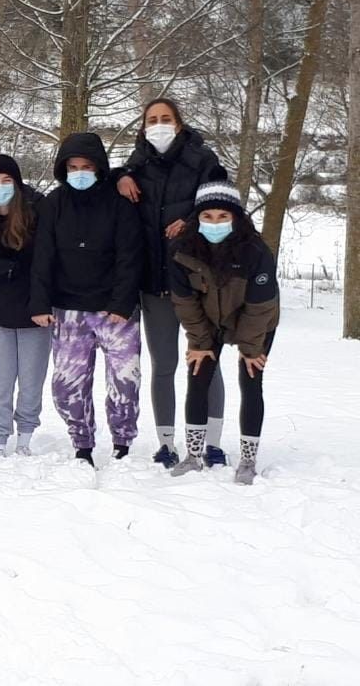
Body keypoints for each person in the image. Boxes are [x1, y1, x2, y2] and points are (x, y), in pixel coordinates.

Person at [116, 98, 227, 468]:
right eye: (152, 119)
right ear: (143, 126)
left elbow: (224, 206)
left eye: (166, 118)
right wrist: (121, 177)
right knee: (163, 366)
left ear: (179, 124)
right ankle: (166, 444)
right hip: (154, 284)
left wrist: (192, 221)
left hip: (197, 284)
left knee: (206, 362)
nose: (159, 125)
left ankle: (212, 444)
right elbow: (106, 181)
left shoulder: (203, 160)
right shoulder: (137, 164)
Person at [30, 132, 143, 468]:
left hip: (115, 312)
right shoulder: (53, 204)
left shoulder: (119, 204)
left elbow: (130, 256)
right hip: (69, 310)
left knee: (125, 382)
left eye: (87, 166)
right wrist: (40, 303)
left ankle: (122, 441)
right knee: (66, 387)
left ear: (99, 168)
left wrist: (122, 303)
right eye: (73, 167)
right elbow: (42, 257)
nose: (80, 172)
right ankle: (82, 442)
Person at [168, 170, 279, 485]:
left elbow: (260, 306)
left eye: (222, 216)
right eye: (207, 216)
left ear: (235, 218)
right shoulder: (182, 251)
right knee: (197, 375)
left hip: (255, 322)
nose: (214, 222)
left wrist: (250, 349)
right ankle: (193, 455)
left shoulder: (256, 252)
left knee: (251, 379)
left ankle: (248, 460)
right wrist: (200, 343)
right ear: (197, 218)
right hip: (208, 322)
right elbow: (185, 303)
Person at [0, 154, 49, 456]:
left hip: (34, 313)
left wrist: (42, 304)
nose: (0, 186)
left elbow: (44, 264)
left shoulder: (36, 212)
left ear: (17, 185)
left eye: (7, 181)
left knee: (31, 380)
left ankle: (25, 437)